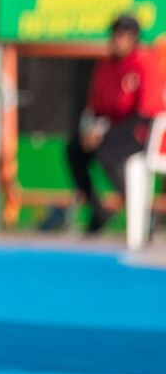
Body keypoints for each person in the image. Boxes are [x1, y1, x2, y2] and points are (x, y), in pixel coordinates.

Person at [59, 14, 163, 234]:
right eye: (116, 33)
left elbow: (148, 111)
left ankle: (143, 210)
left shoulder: (144, 62)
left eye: (125, 34)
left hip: (143, 131)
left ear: (134, 38)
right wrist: (92, 133)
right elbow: (98, 110)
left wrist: (104, 135)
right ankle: (98, 211)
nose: (119, 39)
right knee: (75, 149)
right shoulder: (106, 65)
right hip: (111, 128)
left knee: (106, 147)